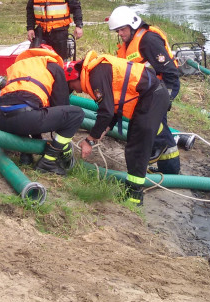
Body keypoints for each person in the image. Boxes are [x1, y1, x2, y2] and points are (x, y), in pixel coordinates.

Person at [63, 50, 174, 205]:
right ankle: (132, 190)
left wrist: (90, 140)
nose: (75, 90)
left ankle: (134, 197)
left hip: (152, 96)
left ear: (74, 77)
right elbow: (115, 106)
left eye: (72, 86)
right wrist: (104, 130)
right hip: (151, 95)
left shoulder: (95, 76)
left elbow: (106, 111)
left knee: (137, 148)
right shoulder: (97, 69)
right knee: (134, 144)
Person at [107, 5, 181, 174]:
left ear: (132, 25)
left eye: (122, 29)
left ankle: (171, 174)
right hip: (147, 93)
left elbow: (170, 73)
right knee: (158, 131)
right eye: (118, 31)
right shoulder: (129, 43)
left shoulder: (148, 41)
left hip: (159, 92)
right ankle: (169, 173)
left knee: (155, 130)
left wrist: (166, 99)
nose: (120, 34)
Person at [0, 46, 84, 175]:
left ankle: (26, 155)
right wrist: (63, 146)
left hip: (1, 120)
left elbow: (22, 102)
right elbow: (61, 106)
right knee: (75, 114)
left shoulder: (20, 65)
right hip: (25, 119)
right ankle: (48, 162)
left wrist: (37, 137)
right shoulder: (53, 67)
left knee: (26, 109)